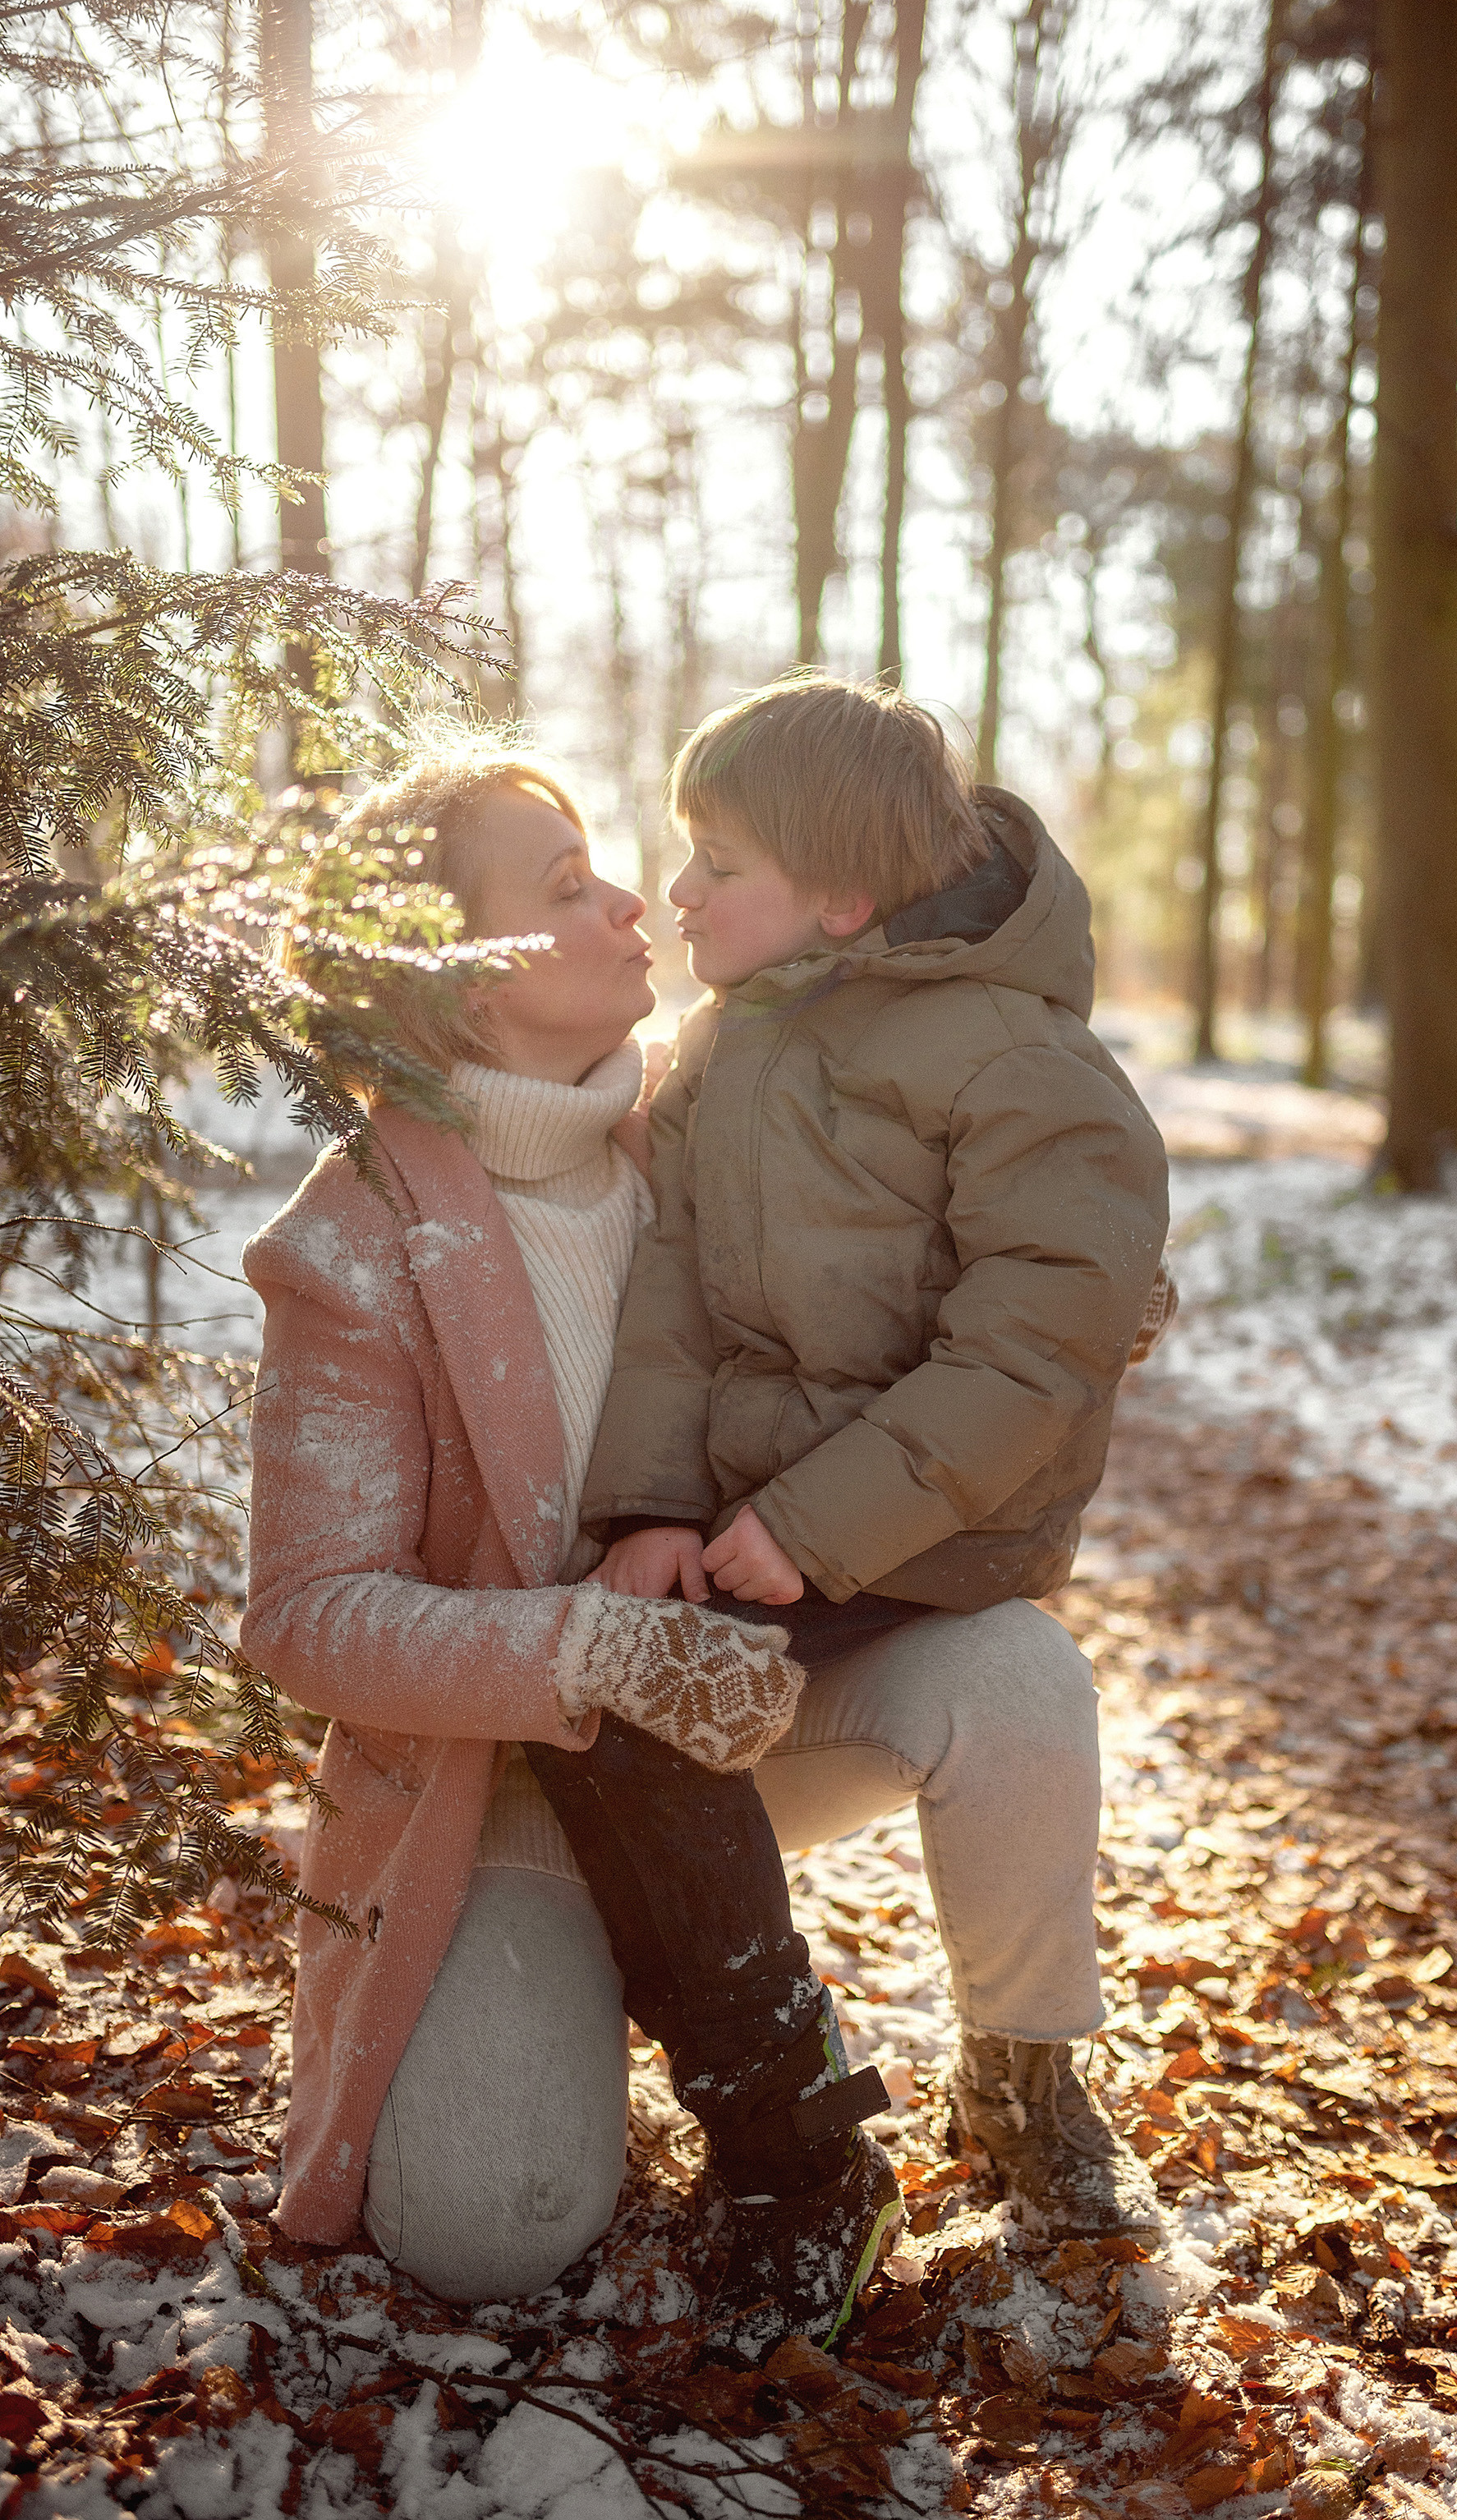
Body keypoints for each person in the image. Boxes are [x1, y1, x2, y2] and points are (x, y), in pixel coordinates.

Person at [240, 737, 1134, 2343]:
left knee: (1016, 1677)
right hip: (514, 1776)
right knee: (482, 2222)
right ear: (459, 979)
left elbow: (958, 1276)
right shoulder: (357, 1239)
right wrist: (583, 1647)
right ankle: (713, 2004)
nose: (630, 904)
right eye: (564, 887)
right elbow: (307, 1616)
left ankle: (1003, 2080)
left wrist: (1098, 1292)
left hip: (750, 1705)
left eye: (614, 865)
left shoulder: (717, 1122)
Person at [581, 675, 1173, 2302]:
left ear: (841, 897)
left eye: (719, 860)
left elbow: (1028, 1352)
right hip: (742, 1577)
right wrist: (644, 1505)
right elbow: (675, 1300)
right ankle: (774, 2097)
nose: (679, 889)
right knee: (618, 1726)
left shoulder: (1023, 1069)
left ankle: (1027, 2074)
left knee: (1025, 1690)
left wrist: (814, 1520)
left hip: (897, 1565)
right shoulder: (723, 1043)